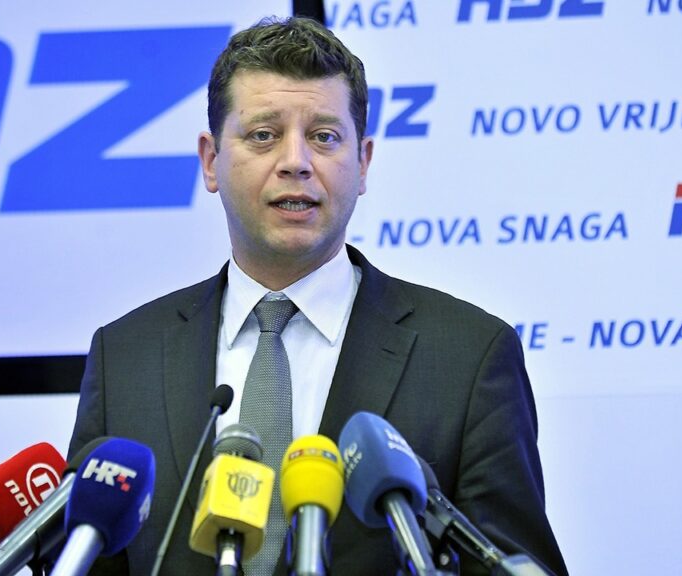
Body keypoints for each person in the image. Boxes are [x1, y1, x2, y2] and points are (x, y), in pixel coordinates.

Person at [68, 16, 567, 576]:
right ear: (211, 161)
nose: (296, 161)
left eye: (324, 137)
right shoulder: (126, 357)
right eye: (263, 135)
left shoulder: (467, 357)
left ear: (363, 164)